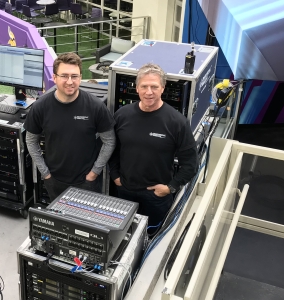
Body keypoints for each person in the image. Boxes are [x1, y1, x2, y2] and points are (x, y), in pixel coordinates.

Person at [109, 62, 197, 231]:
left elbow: (191, 164)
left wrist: (170, 188)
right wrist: (115, 176)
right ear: (137, 88)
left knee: (153, 237)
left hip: (157, 196)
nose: (149, 92)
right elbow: (112, 149)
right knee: (124, 235)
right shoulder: (122, 115)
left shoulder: (177, 122)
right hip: (125, 191)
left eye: (154, 87)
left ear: (163, 88)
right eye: (144, 86)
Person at [25, 52, 116, 202]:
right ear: (54, 78)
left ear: (80, 77)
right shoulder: (41, 107)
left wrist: (94, 173)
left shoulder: (95, 106)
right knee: (61, 222)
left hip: (87, 182)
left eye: (74, 76)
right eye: (64, 76)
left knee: (86, 223)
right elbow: (31, 140)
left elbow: (109, 141)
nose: (69, 81)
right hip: (54, 180)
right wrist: (45, 173)